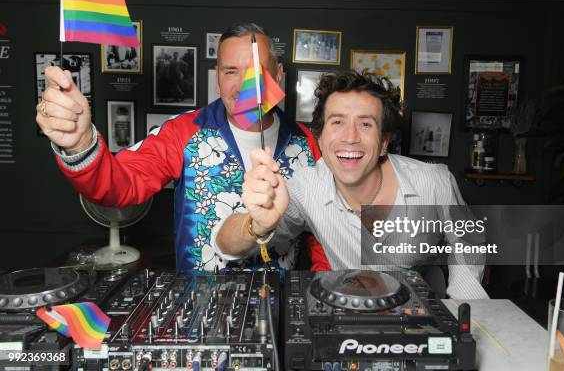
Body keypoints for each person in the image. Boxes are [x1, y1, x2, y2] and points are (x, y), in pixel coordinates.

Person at [35, 23, 320, 272]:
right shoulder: (183, 132)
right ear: (218, 80)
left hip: (280, 309)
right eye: (231, 72)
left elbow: (324, 231)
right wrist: (80, 143)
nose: (243, 86)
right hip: (199, 308)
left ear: (278, 74)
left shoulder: (307, 143)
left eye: (256, 72)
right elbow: (118, 184)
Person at [215, 70, 489, 299]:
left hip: (419, 312)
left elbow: (467, 242)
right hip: (350, 314)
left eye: (366, 125)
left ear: (384, 143)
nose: (350, 137)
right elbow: (225, 244)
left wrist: (465, 309)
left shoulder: (435, 183)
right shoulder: (306, 187)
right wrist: (255, 225)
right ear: (320, 139)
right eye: (337, 122)